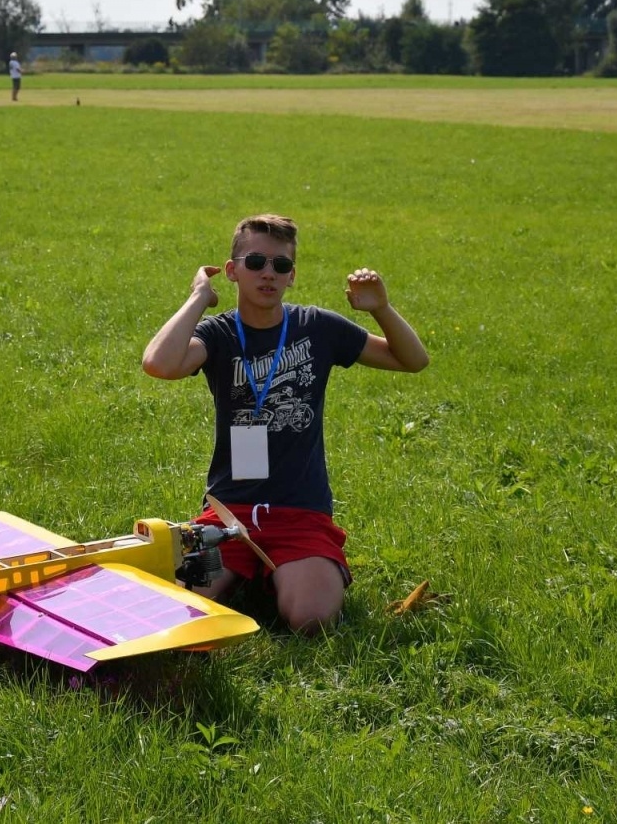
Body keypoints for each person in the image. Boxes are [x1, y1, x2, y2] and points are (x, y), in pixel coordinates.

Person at [142, 214, 429, 634]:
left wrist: (381, 308)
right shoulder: (219, 334)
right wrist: (198, 299)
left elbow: (413, 360)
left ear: (292, 276)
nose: (268, 273)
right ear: (232, 270)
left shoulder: (316, 327)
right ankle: (249, 572)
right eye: (255, 261)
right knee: (176, 604)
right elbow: (159, 364)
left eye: (281, 265)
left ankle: (278, 574)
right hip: (229, 512)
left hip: (301, 511)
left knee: (311, 619)